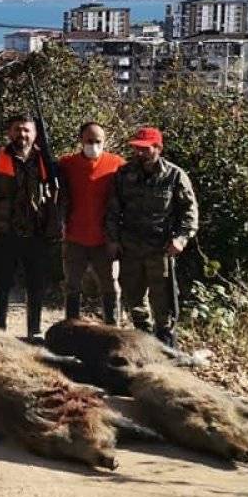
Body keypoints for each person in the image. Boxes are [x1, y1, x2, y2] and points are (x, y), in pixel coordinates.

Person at [104, 126, 198, 346]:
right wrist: (113, 239)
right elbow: (112, 210)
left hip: (160, 249)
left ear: (158, 148)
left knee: (163, 303)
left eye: (146, 149)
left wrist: (181, 239)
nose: (140, 153)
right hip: (130, 249)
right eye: (137, 148)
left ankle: (167, 346)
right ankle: (145, 344)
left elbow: (189, 212)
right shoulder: (124, 174)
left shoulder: (174, 175)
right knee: (134, 300)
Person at [0, 111, 59, 340]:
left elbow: (57, 195)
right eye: (17, 129)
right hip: (5, 233)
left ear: (35, 134)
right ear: (9, 132)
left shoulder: (45, 160)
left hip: (36, 233)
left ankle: (34, 332)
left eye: (27, 129)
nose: (22, 134)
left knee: (36, 286)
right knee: (2, 286)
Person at [58, 121, 125, 325]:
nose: (93, 145)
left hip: (105, 240)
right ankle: (72, 327)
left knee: (110, 285)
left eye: (98, 141)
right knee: (72, 285)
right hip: (74, 237)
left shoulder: (118, 164)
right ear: (81, 140)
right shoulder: (66, 164)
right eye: (89, 141)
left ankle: (112, 327)